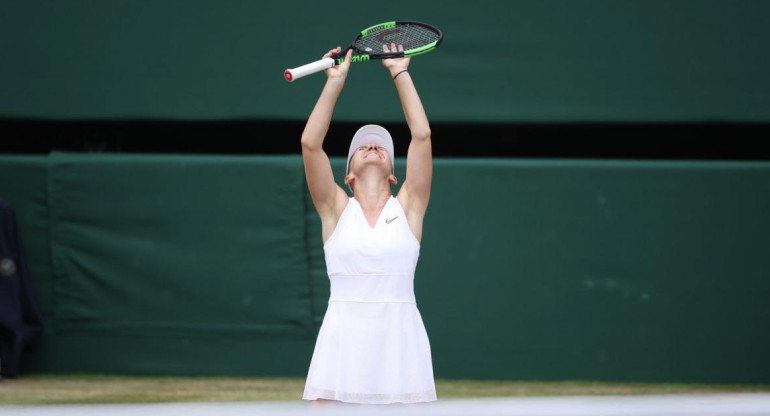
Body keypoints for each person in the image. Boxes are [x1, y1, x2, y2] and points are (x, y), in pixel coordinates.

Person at [300, 43, 436, 405]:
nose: (373, 146)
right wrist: (334, 83)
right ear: (347, 177)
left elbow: (421, 136)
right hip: (341, 345)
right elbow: (310, 145)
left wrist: (399, 72)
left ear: (394, 175)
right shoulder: (334, 209)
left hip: (401, 344)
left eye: (381, 146)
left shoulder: (409, 208)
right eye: (362, 146)